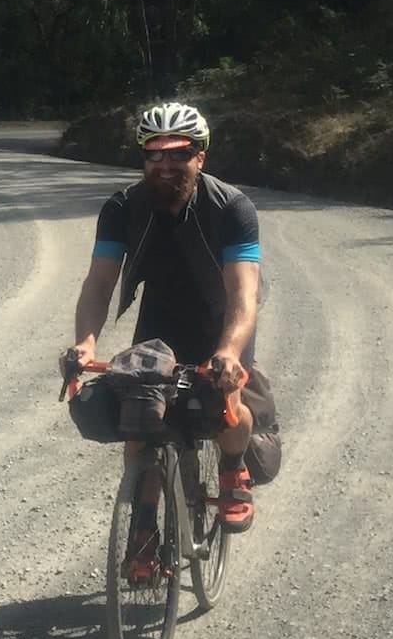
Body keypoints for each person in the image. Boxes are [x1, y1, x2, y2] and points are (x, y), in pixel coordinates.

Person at [67, 102, 262, 579]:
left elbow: (243, 290)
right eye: (154, 153)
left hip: (221, 322)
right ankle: (143, 535)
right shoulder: (122, 209)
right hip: (160, 322)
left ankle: (233, 469)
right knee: (141, 423)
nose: (165, 163)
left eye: (179, 152)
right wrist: (85, 346)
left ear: (202, 157)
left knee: (226, 407)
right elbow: (98, 284)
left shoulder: (232, 208)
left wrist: (228, 353)